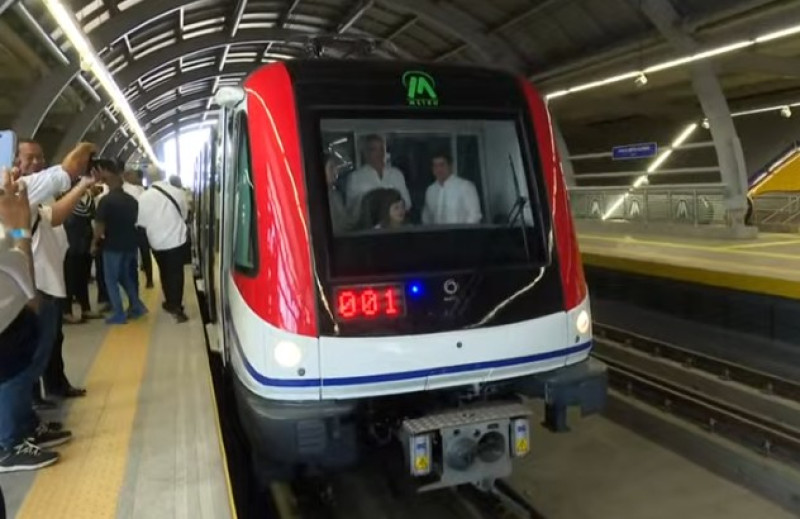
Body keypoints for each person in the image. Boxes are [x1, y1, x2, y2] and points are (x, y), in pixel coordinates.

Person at [0, 171, 65, 473]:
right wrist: (20, 229)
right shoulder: (8, 224)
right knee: (14, 377)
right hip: (9, 319)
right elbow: (20, 274)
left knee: (24, 373)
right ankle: (9, 445)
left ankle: (25, 428)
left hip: (17, 313)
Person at [92, 161, 147, 325]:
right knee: (125, 277)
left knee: (111, 280)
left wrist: (93, 243)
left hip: (112, 246)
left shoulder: (106, 201)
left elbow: (100, 227)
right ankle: (137, 307)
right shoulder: (131, 200)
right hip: (130, 244)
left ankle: (119, 314)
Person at [137, 170, 189, 323]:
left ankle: (169, 302)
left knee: (165, 272)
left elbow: (142, 222)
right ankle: (177, 306)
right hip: (177, 239)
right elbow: (185, 214)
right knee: (177, 273)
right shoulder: (177, 192)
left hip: (157, 242)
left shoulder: (143, 198)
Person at [345, 135, 411, 222]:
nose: (379, 153)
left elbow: (407, 203)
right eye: (374, 149)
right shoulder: (355, 177)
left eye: (381, 149)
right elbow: (351, 209)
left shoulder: (396, 174)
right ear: (366, 153)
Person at [62, 181, 101, 323]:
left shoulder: (88, 200)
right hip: (69, 247)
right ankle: (66, 311)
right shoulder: (65, 203)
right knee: (69, 280)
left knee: (83, 278)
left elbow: (93, 219)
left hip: (84, 245)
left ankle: (85, 308)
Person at [421, 151, 482, 225]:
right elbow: (426, 218)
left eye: (442, 165)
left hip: (460, 235)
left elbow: (475, 216)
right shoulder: (430, 190)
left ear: (450, 166)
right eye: (435, 166)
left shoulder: (465, 186)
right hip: (437, 235)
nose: (439, 169)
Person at [123, 169, 153, 288]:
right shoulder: (128, 189)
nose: (137, 179)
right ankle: (138, 280)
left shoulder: (141, 190)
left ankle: (149, 279)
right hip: (133, 226)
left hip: (140, 226)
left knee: (144, 253)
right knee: (136, 254)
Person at [325, 152, 352, 234]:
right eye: (331, 168)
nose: (336, 172)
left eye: (336, 167)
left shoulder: (336, 195)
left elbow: (344, 222)